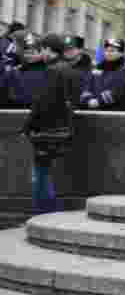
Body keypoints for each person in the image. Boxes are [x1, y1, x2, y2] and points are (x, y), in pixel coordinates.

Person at [22, 33, 81, 215]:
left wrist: (28, 125)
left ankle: (44, 212)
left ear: (49, 49)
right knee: (48, 172)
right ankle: (51, 210)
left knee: (41, 172)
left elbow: (42, 102)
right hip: (65, 127)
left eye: (42, 49)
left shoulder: (52, 70)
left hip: (47, 129)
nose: (42, 53)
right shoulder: (71, 70)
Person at [79, 39, 125, 111]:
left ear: (121, 53)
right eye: (106, 50)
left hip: (114, 112)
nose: (108, 53)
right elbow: (87, 85)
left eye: (112, 51)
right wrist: (88, 100)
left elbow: (119, 90)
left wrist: (99, 101)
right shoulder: (98, 68)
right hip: (93, 110)